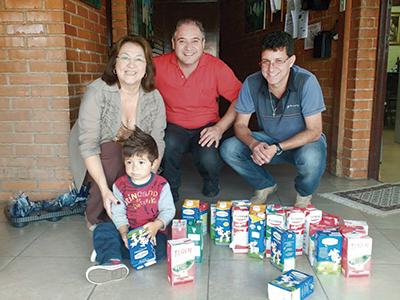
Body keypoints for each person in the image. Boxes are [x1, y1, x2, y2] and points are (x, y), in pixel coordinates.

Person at [69, 35, 166, 229]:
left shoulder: (154, 97)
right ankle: (95, 214)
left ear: (146, 67)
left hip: (133, 153)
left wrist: (146, 179)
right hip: (96, 154)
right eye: (125, 58)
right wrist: (105, 190)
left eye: (139, 59)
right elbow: (89, 145)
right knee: (113, 153)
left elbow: (157, 141)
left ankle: (129, 211)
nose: (131, 65)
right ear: (115, 64)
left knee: (135, 158)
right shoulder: (97, 92)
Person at [220, 31, 327, 208]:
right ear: (260, 62)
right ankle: (265, 185)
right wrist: (254, 144)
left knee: (312, 157)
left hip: (303, 143)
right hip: (269, 141)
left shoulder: (306, 82)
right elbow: (240, 125)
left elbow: (315, 131)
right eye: (266, 61)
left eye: (278, 61)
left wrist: (277, 148)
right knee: (229, 148)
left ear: (291, 61)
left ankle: (303, 196)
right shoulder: (252, 83)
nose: (271, 68)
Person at [154, 18, 242, 202]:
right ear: (173, 43)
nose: (188, 47)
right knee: (168, 144)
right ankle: (170, 191)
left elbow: (240, 98)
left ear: (203, 44)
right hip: (173, 126)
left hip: (207, 125)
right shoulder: (157, 65)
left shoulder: (216, 67)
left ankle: (211, 181)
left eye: (195, 41)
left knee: (208, 157)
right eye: (181, 41)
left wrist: (220, 128)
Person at [85, 128, 175, 285]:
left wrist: (156, 225)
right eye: (129, 162)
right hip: (128, 230)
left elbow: (168, 210)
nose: (134, 168)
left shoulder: (161, 184)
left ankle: (108, 251)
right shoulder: (120, 185)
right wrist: (124, 231)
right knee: (102, 229)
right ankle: (112, 262)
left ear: (153, 163)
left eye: (141, 162)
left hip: (151, 233)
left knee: (161, 250)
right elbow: (118, 212)